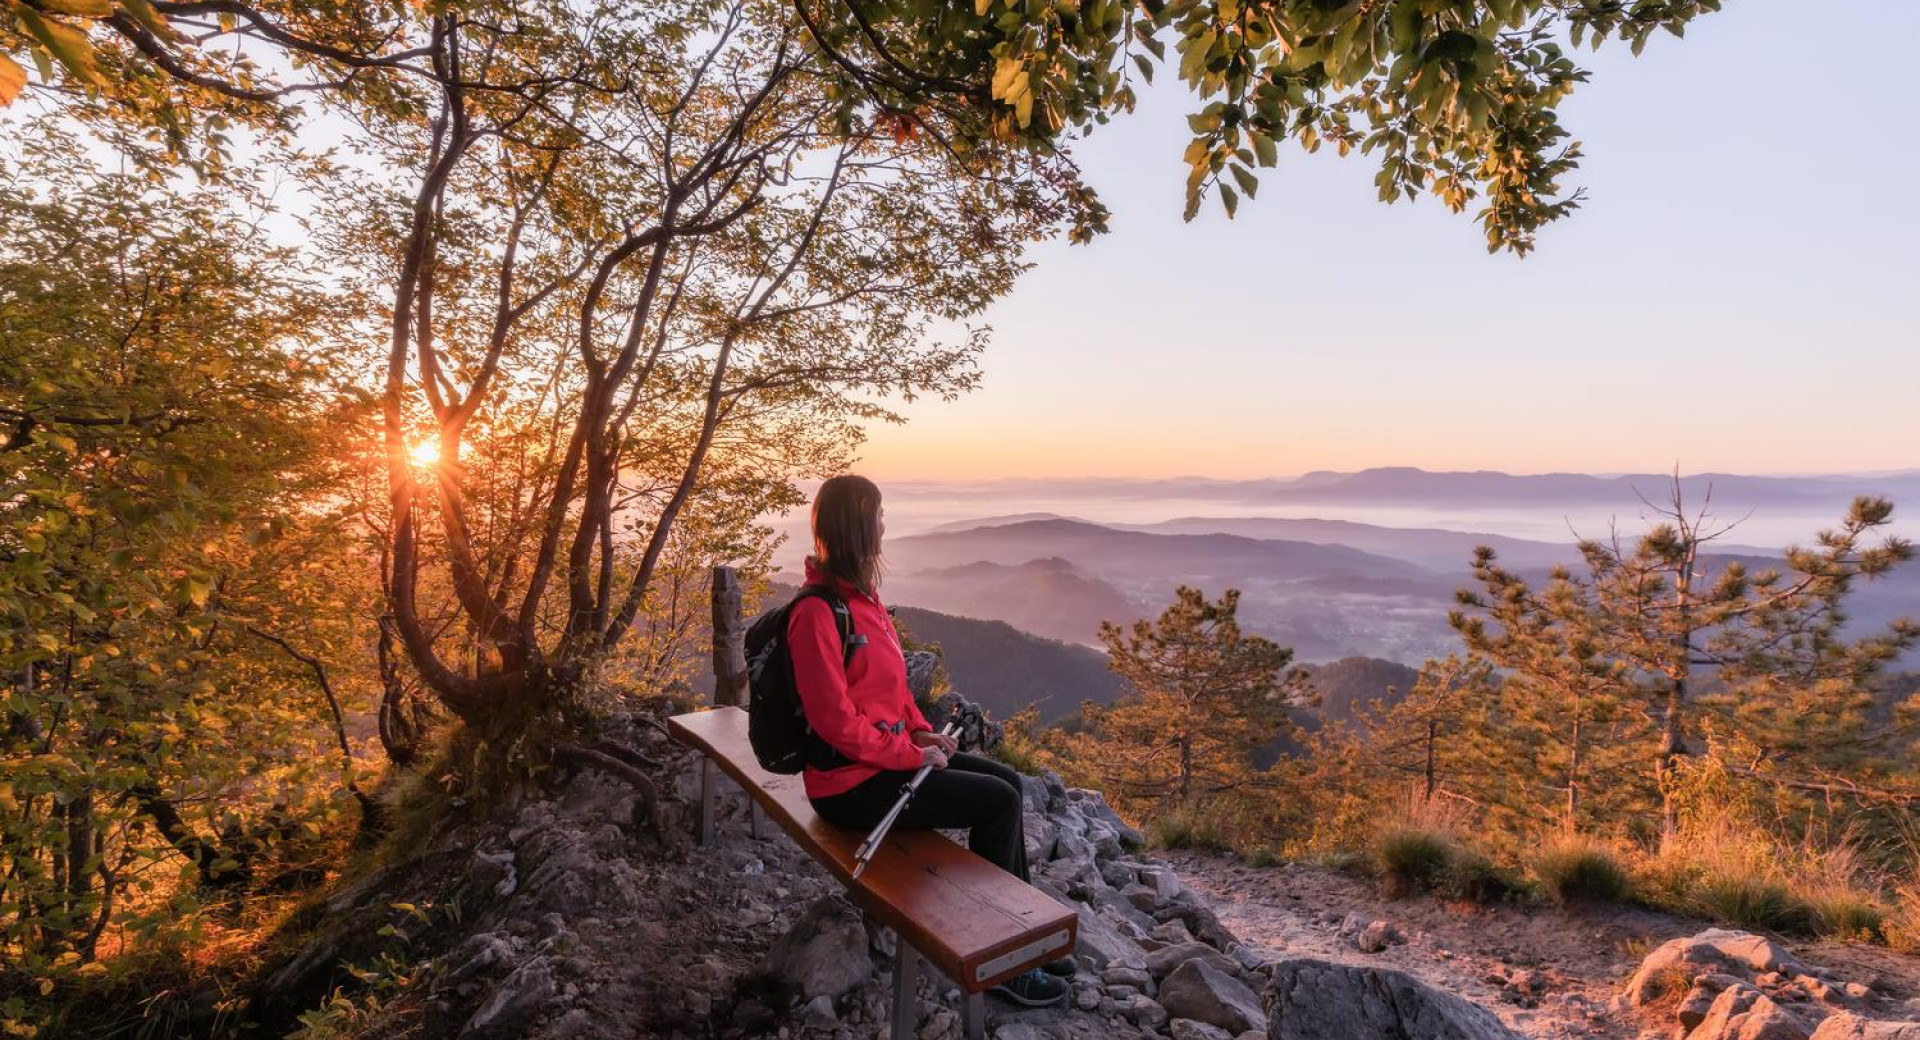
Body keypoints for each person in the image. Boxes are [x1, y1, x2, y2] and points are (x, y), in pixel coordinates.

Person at [788, 474, 1071, 1008]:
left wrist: (919, 731)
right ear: (856, 528)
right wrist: (908, 754)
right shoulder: (817, 613)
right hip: (846, 786)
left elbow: (890, 691)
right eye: (878, 516)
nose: (884, 526)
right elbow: (834, 722)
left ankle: (1025, 938)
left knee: (1005, 779)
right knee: (998, 803)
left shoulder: (864, 602)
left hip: (882, 764)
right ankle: (1004, 959)